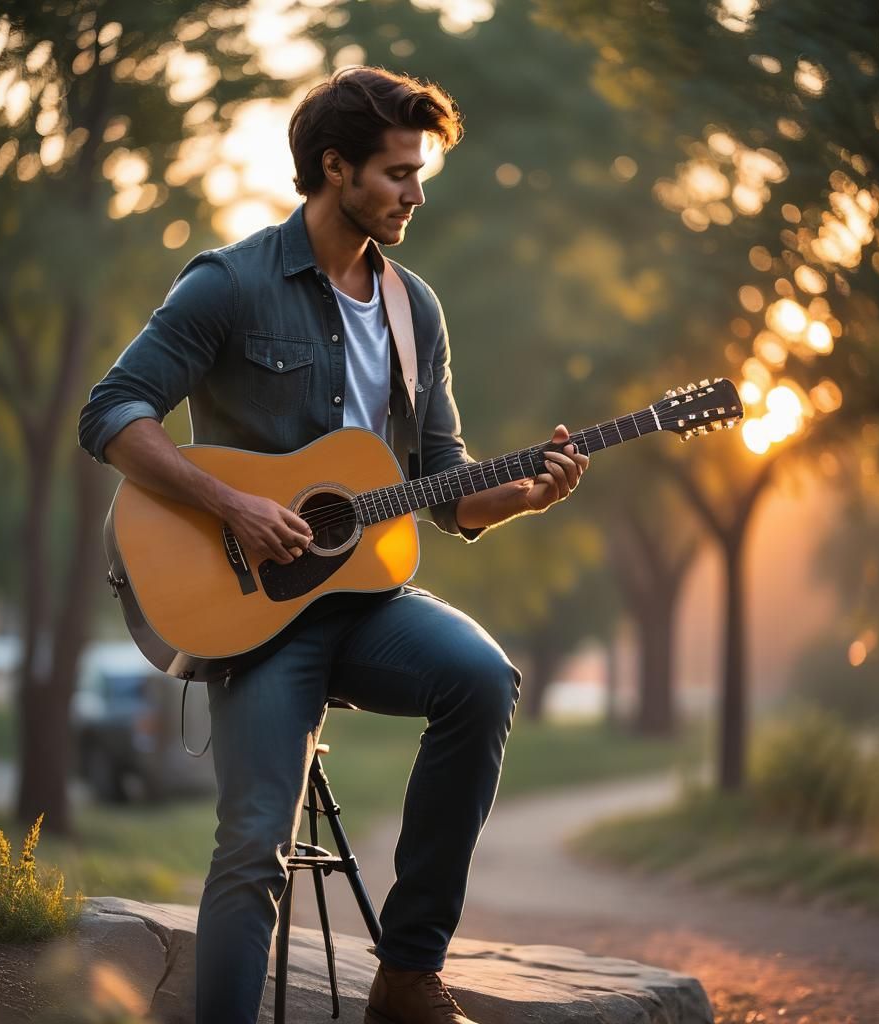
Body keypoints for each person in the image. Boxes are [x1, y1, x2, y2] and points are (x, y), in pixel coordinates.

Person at [79, 66, 588, 1024]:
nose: (416, 193)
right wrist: (231, 503)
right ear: (334, 167)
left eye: (420, 174)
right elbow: (110, 413)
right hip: (255, 612)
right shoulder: (230, 283)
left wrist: (517, 498)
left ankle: (405, 975)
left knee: (483, 678)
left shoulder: (415, 309)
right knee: (255, 839)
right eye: (398, 173)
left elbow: (445, 483)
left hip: (370, 600)